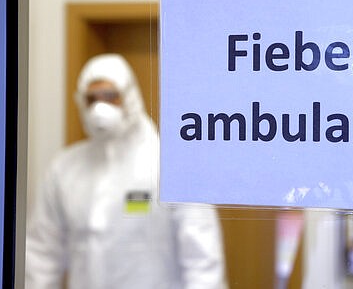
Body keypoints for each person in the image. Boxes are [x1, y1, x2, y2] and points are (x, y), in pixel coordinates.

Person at [25, 54, 227, 289]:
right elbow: (42, 255)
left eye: (111, 96)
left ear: (130, 97)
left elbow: (202, 261)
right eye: (92, 99)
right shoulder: (64, 168)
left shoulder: (172, 165)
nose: (100, 107)